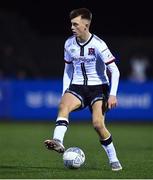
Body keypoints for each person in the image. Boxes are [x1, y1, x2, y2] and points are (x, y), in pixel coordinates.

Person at [44, 8, 122, 171]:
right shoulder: (68, 43)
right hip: (77, 86)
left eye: (75, 24)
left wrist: (113, 94)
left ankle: (113, 159)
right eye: (71, 24)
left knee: (97, 124)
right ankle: (58, 141)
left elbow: (115, 70)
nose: (72, 27)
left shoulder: (98, 44)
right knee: (63, 105)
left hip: (98, 88)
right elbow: (68, 70)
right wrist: (65, 91)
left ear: (86, 25)